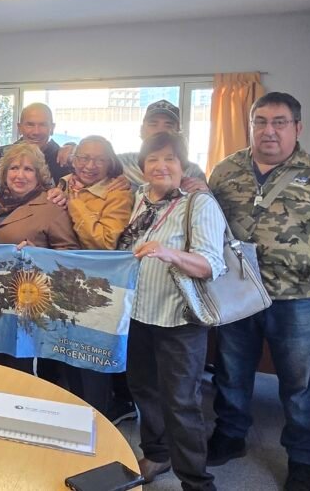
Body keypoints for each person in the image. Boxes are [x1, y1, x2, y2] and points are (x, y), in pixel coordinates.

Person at [207, 92, 310, 491]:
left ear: (297, 128)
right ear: (250, 125)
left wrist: (305, 260)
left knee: (302, 386)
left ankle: (304, 458)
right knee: (231, 373)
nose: (269, 130)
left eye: (279, 122)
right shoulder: (226, 170)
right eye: (260, 121)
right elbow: (211, 222)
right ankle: (230, 435)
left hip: (298, 299)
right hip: (237, 294)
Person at [116, 131, 226, 490]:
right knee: (144, 389)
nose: (161, 166)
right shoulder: (139, 199)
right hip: (138, 315)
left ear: (183, 165)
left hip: (179, 318)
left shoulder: (199, 203)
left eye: (170, 159)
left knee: (181, 402)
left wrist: (169, 254)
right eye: (153, 159)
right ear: (143, 166)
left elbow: (212, 265)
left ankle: (196, 481)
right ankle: (157, 454)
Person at [41, 135, 133, 417]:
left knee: (92, 357)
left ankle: (98, 420)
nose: (89, 165)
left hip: (98, 287)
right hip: (61, 282)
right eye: (83, 158)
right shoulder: (66, 182)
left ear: (110, 163)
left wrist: (74, 202)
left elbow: (103, 242)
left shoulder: (119, 193)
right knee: (65, 352)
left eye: (99, 159)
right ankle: (72, 413)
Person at [0, 143, 79, 373]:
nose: (20, 175)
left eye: (28, 169)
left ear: (39, 174)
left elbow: (70, 253)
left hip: (34, 302)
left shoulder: (51, 206)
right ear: (4, 173)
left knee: (22, 367)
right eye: (14, 168)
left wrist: (38, 255)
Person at [118, 100, 206, 188]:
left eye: (168, 125)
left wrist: (205, 191)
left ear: (178, 132)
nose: (160, 130)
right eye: (153, 124)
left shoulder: (193, 171)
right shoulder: (121, 163)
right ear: (142, 129)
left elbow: (205, 197)